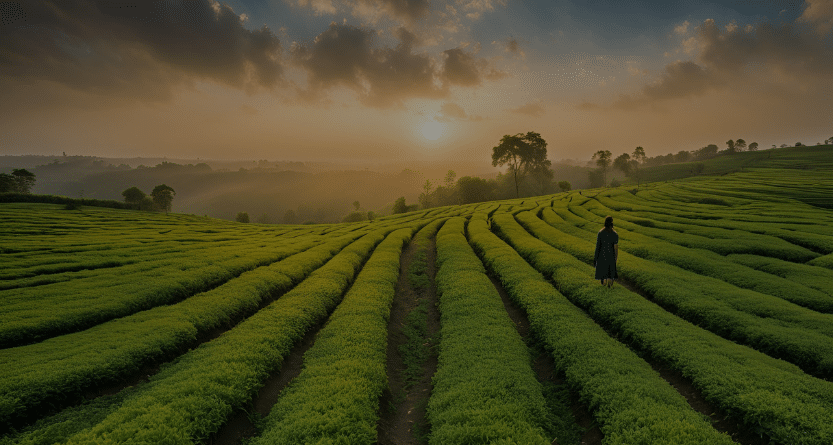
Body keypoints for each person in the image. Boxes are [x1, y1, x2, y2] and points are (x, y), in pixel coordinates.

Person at [594, 216, 618, 287]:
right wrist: (615, 258)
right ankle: (609, 286)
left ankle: (604, 284)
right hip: (611, 256)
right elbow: (616, 248)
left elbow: (598, 247)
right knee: (610, 275)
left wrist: (595, 258)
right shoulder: (614, 234)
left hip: (602, 256)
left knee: (603, 275)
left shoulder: (601, 233)